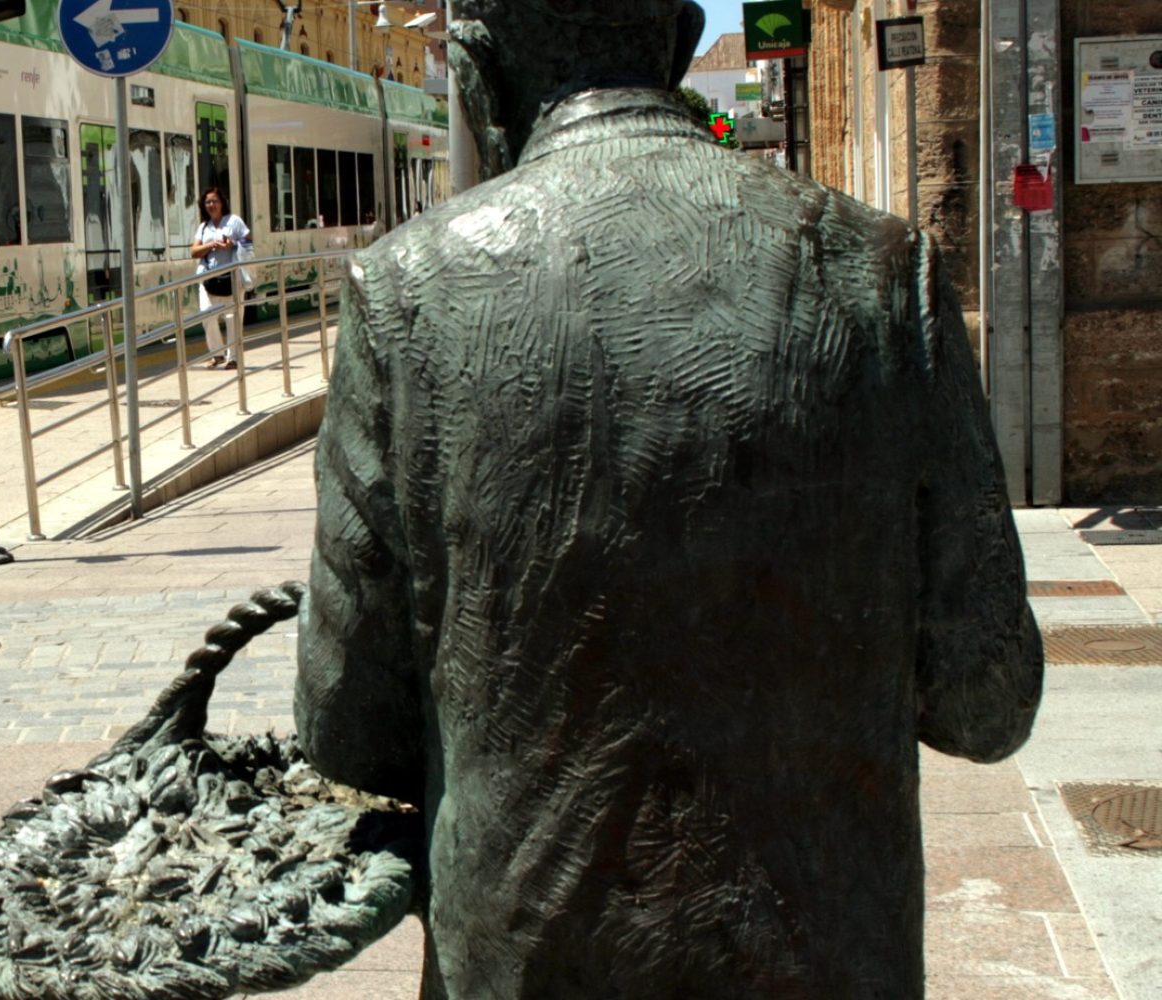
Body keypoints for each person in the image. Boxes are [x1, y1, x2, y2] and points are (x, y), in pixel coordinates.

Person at [293, 0, 1043, 997]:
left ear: (472, 72)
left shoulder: (401, 292)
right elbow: (988, 700)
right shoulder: (881, 273)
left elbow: (345, 727)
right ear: (684, 45)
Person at [190, 186, 249, 369]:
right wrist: (211, 245)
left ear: (222, 203)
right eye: (208, 202)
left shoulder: (234, 221)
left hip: (232, 279)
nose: (212, 205)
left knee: (233, 319)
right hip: (209, 279)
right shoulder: (203, 227)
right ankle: (217, 354)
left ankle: (233, 358)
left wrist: (233, 244)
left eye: (215, 201)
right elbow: (194, 251)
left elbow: (249, 242)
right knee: (207, 315)